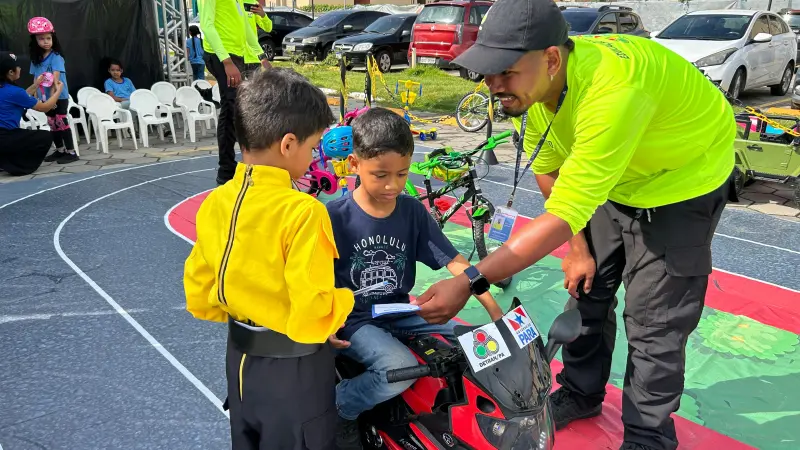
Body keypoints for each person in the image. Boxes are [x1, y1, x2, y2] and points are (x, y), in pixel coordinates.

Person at [412, 1, 737, 449]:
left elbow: (563, 214)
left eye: (505, 71)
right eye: (487, 71)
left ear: (550, 58)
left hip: (682, 182)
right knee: (587, 290)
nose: (493, 85)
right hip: (616, 178)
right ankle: (583, 394)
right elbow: (549, 169)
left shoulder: (613, 92)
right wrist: (580, 251)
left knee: (654, 321)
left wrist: (471, 280)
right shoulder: (544, 88)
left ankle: (647, 438)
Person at [184, 68, 354, 450]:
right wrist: (342, 304)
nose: (313, 158)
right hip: (294, 373)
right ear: (288, 144)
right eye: (312, 148)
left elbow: (199, 294)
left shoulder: (216, 202)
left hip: (241, 362)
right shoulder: (302, 211)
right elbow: (312, 316)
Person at [327, 107, 503, 450]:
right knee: (401, 368)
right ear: (353, 164)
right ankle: (340, 407)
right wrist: (325, 324)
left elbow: (455, 262)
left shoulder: (411, 210)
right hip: (355, 320)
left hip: (398, 312)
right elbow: (314, 277)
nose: (393, 185)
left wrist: (495, 314)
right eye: (380, 175)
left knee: (473, 342)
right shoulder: (333, 217)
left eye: (402, 173)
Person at [200, 0, 271, 185]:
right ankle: (226, 171)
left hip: (238, 55)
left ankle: (248, 163)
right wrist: (226, 61)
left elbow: (246, 31)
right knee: (231, 108)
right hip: (221, 54)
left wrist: (261, 56)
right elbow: (207, 25)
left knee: (244, 110)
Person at [27, 16, 79, 164]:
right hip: (45, 97)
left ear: (53, 39)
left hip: (58, 96)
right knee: (52, 123)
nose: (46, 41)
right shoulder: (35, 60)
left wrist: (52, 98)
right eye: (42, 39)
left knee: (61, 121)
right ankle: (60, 150)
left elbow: (55, 80)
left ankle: (71, 152)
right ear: (35, 41)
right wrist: (37, 96)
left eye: (48, 38)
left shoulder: (56, 57)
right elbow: (35, 80)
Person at [0, 51, 61, 175]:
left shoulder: (6, 89)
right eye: (17, 66)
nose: (20, 68)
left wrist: (36, 85)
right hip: (5, 137)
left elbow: (22, 96)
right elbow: (45, 107)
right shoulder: (14, 91)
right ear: (10, 72)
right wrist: (58, 90)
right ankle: (17, 165)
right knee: (44, 137)